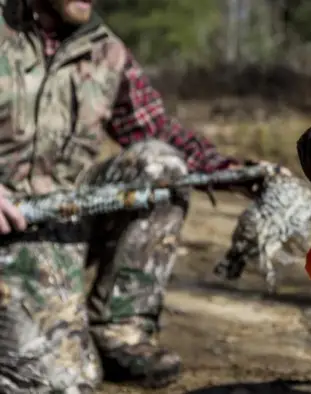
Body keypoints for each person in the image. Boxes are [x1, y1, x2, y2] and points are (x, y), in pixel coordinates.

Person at [0, 0, 291, 392]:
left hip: (60, 228)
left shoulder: (107, 49)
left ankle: (120, 330)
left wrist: (235, 173)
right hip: (7, 229)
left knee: (161, 166)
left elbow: (156, 131)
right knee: (60, 383)